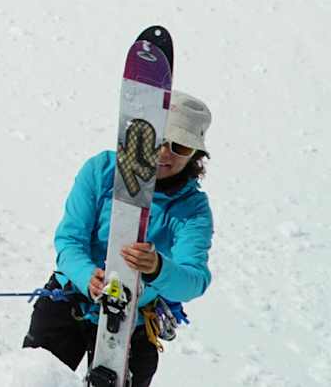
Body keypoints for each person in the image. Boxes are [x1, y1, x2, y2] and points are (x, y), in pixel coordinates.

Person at [22, 92, 215, 386]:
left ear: (195, 155)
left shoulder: (192, 209)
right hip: (71, 300)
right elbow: (70, 241)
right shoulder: (101, 170)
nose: (165, 152)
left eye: (181, 146)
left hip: (134, 323)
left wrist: (157, 268)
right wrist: (88, 276)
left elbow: (194, 280)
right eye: (159, 138)